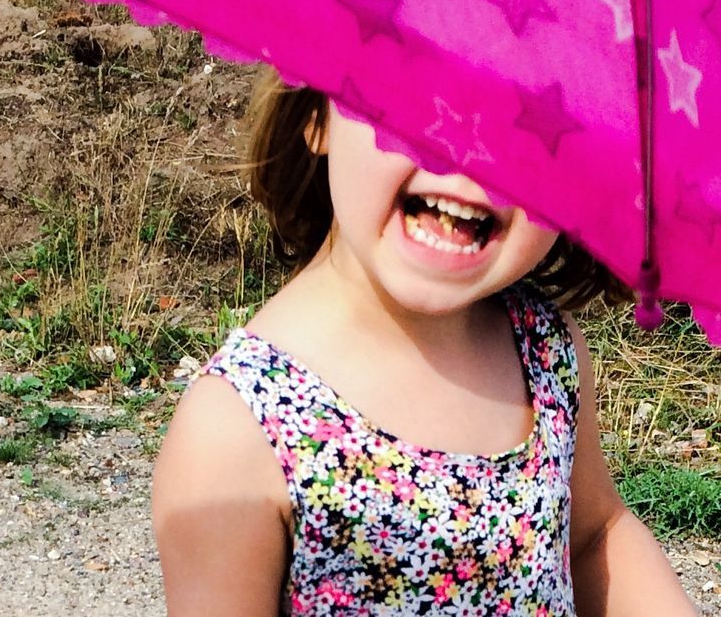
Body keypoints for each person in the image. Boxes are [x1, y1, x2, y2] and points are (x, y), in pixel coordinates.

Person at [153, 73, 696, 616]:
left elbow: (595, 535)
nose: (470, 155)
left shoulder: (545, 350)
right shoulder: (235, 428)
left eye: (529, 125)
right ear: (317, 111)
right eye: (416, 97)